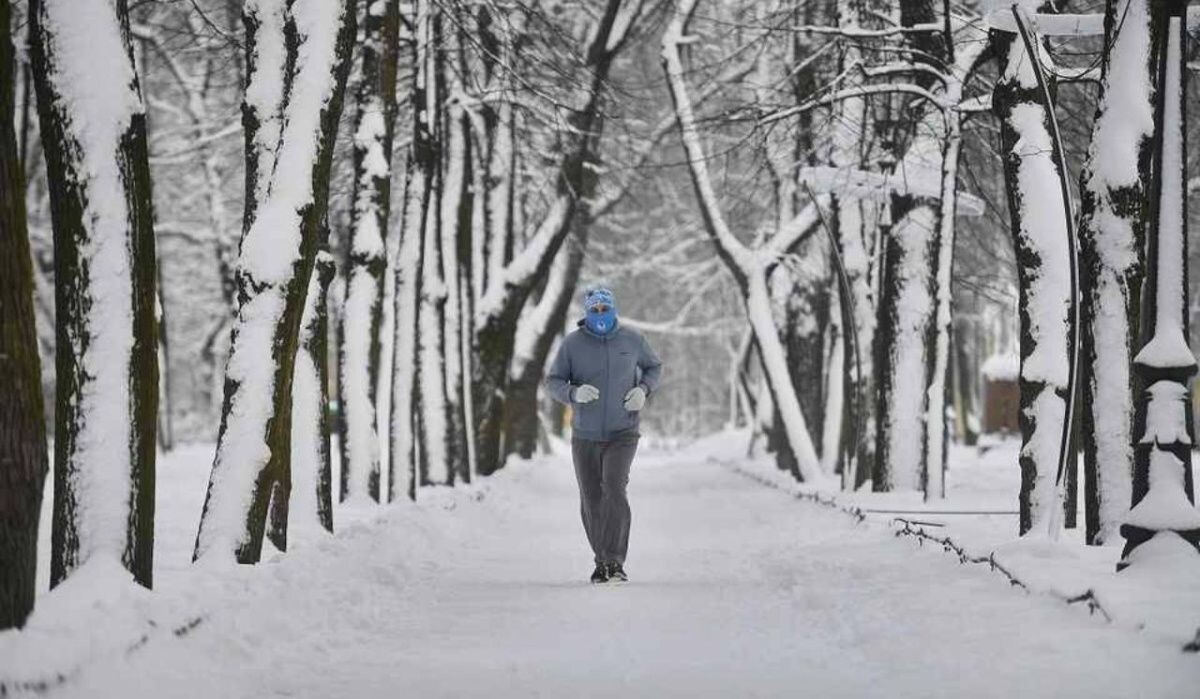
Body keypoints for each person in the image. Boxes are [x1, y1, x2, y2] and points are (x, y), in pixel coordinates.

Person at [546, 287, 663, 584]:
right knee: (591, 498)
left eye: (605, 309)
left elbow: (654, 367)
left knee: (614, 488)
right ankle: (602, 562)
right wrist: (573, 393)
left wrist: (643, 390)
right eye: (594, 310)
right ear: (587, 313)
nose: (600, 314)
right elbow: (553, 381)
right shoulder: (572, 344)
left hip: (623, 432)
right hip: (585, 434)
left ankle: (614, 561)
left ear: (613, 310)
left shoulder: (632, 340)